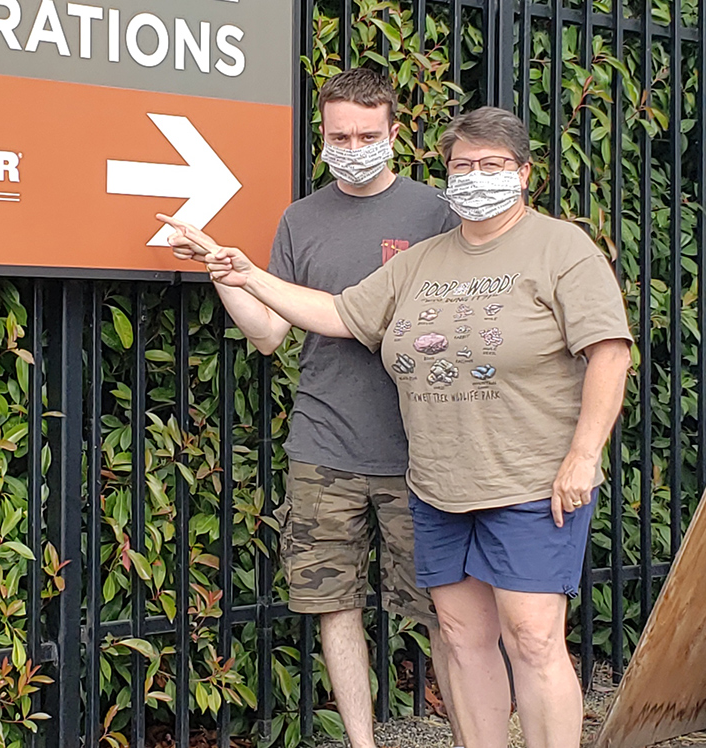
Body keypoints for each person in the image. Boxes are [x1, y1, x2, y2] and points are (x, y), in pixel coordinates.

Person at [168, 106, 633, 748]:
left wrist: (584, 455)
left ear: (524, 173)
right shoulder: (423, 260)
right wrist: (246, 273)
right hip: (438, 487)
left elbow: (609, 350)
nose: (475, 177)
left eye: (492, 165)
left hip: (529, 483)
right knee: (465, 639)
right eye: (462, 165)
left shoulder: (561, 248)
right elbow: (335, 312)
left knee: (532, 637)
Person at [162, 68, 462, 748]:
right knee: (335, 606)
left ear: (393, 133)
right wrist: (219, 269)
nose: (352, 146)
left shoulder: (435, 214)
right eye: (338, 136)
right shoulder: (302, 218)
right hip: (325, 446)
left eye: (366, 135)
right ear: (322, 137)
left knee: (447, 614)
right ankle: (363, 744)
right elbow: (269, 335)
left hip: (422, 453)